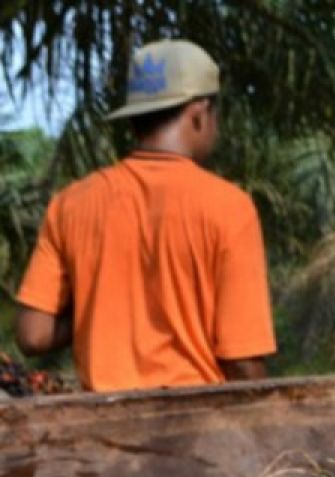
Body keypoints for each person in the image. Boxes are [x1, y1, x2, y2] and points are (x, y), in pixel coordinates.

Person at [14, 39, 276, 391]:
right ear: (200, 112)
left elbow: (33, 334)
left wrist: (102, 304)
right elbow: (242, 362)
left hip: (98, 431)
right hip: (197, 430)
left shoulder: (71, 204)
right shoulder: (229, 208)